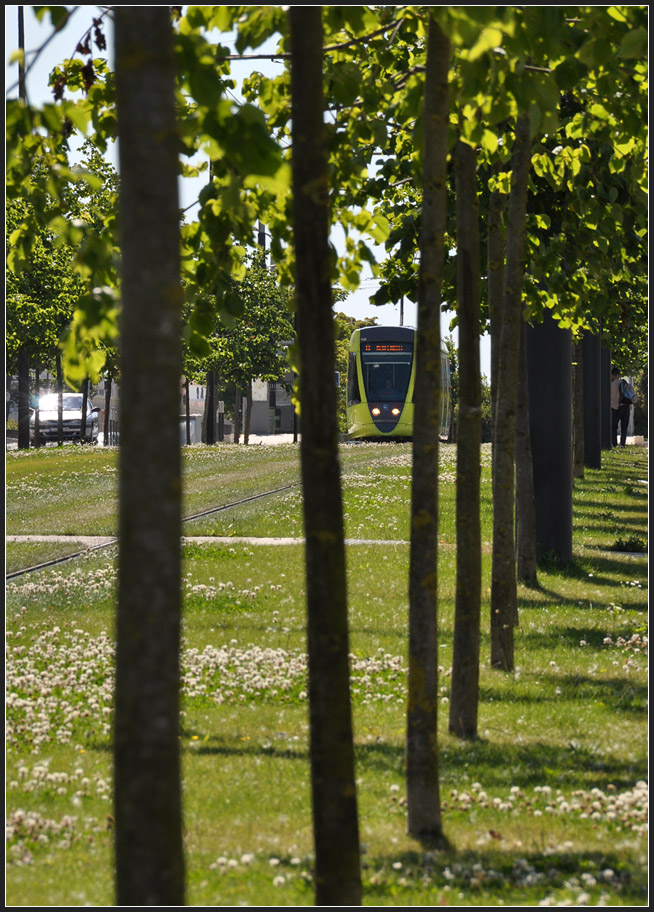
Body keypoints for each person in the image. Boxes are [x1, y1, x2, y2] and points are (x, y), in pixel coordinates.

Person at [611, 366, 631, 448]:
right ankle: (622, 444)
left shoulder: (610, 384)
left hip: (614, 407)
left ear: (612, 375)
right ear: (618, 374)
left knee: (613, 427)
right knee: (624, 427)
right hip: (625, 406)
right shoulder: (623, 383)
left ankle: (614, 443)